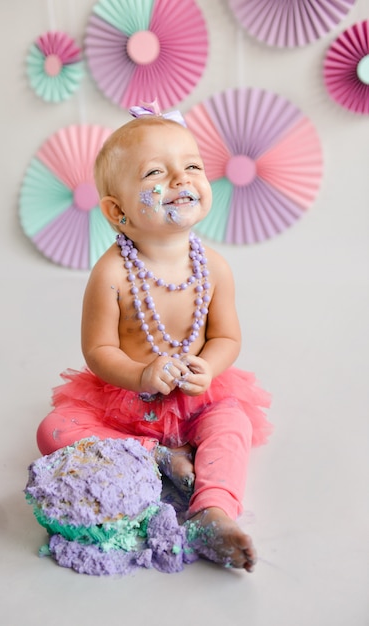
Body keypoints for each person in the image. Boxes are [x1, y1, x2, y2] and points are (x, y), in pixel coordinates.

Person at [36, 103, 272, 572]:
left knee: (233, 424)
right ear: (117, 211)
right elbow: (98, 349)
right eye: (155, 174)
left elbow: (226, 336)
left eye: (192, 167)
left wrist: (211, 366)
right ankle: (158, 456)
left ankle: (212, 511)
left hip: (195, 398)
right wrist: (140, 372)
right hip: (126, 403)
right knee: (53, 430)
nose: (182, 181)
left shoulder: (214, 268)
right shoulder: (111, 275)